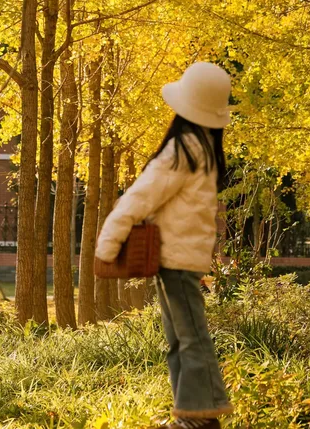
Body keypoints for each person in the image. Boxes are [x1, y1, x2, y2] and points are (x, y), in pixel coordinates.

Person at [95, 61, 234, 429]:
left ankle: (202, 414)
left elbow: (140, 197)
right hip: (181, 257)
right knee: (179, 338)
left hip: (176, 259)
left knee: (189, 337)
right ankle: (189, 414)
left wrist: (108, 243)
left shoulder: (183, 150)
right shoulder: (205, 149)